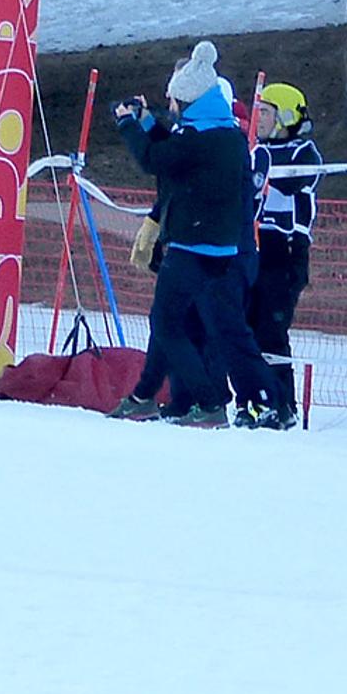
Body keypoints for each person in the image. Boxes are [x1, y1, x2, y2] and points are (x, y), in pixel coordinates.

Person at [104, 42, 279, 428]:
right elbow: (175, 151)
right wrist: (148, 122)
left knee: (169, 324)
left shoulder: (201, 139)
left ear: (189, 100)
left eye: (175, 101)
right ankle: (145, 395)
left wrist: (127, 123)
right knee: (179, 324)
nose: (171, 107)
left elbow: (155, 161)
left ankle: (209, 401)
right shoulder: (221, 134)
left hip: (191, 246)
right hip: (215, 249)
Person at [247, 81, 319, 428]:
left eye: (265, 112)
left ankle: (282, 404)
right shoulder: (256, 150)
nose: (257, 118)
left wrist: (262, 170)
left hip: (286, 249)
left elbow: (292, 183)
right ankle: (254, 401)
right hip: (254, 247)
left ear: (284, 116)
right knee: (245, 326)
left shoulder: (303, 151)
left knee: (271, 329)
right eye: (257, 111)